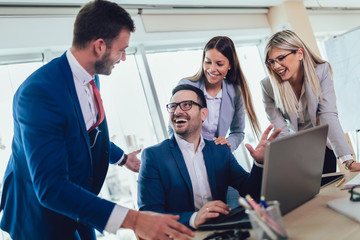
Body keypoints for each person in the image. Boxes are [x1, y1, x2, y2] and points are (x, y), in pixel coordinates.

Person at [0, 1, 194, 239]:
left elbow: (88, 135)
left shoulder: (91, 79)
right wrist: (134, 220)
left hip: (81, 203)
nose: (123, 58)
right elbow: (50, 188)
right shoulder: (38, 93)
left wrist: (123, 159)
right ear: (100, 46)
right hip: (39, 216)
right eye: (121, 50)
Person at [138, 84, 281, 229]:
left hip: (222, 232)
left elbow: (251, 192)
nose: (177, 111)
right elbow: (149, 214)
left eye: (186, 105)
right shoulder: (153, 156)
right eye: (173, 106)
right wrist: (193, 218)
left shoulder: (220, 151)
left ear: (203, 114)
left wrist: (259, 163)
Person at [261, 29, 360, 173]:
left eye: (281, 58)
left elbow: (328, 114)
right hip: (296, 151)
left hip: (323, 146)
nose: (276, 66)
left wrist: (348, 161)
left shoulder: (321, 72)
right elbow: (280, 130)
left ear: (299, 53)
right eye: (271, 61)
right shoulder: (267, 86)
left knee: (329, 190)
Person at [173, 36, 261, 152]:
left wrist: (227, 144)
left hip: (216, 155)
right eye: (208, 62)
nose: (212, 69)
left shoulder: (235, 92)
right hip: (187, 153)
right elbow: (173, 126)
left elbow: (238, 132)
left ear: (230, 65)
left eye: (219, 64)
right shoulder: (186, 86)